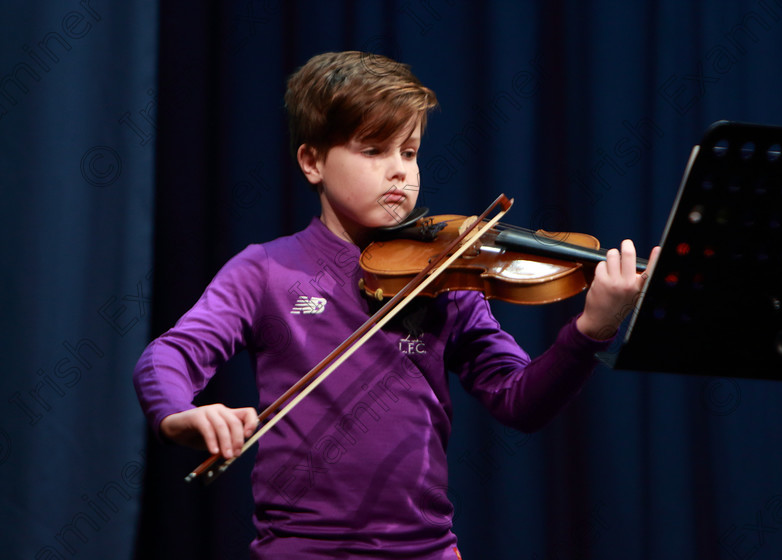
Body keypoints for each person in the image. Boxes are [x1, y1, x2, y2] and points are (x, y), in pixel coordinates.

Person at [133, 50, 659, 559]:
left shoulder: (445, 276)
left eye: (408, 152)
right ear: (312, 161)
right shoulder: (266, 271)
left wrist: (592, 328)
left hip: (426, 552)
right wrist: (178, 413)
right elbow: (171, 355)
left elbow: (520, 402)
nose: (400, 172)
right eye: (374, 151)